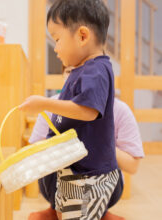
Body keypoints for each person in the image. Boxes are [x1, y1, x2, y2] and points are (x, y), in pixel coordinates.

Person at [19, 0, 120, 219]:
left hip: (89, 175)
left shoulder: (96, 70)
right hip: (77, 170)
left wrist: (44, 103)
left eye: (57, 39)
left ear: (82, 36)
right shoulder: (82, 70)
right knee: (66, 212)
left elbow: (86, 111)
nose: (55, 48)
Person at [28, 95, 144, 220]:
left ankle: (97, 212)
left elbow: (132, 166)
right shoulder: (52, 105)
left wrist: (100, 143)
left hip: (105, 188)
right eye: (70, 74)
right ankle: (59, 210)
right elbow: (36, 155)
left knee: (97, 166)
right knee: (60, 166)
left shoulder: (120, 110)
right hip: (55, 185)